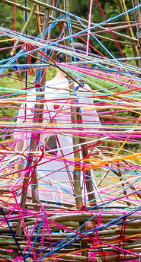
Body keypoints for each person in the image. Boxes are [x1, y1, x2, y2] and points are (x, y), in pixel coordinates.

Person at [13, 58, 101, 206]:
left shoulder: (34, 92)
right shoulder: (81, 91)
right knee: (76, 222)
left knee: (37, 222)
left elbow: (20, 142)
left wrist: (17, 178)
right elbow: (92, 138)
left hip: (35, 179)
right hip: (74, 179)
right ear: (80, 63)